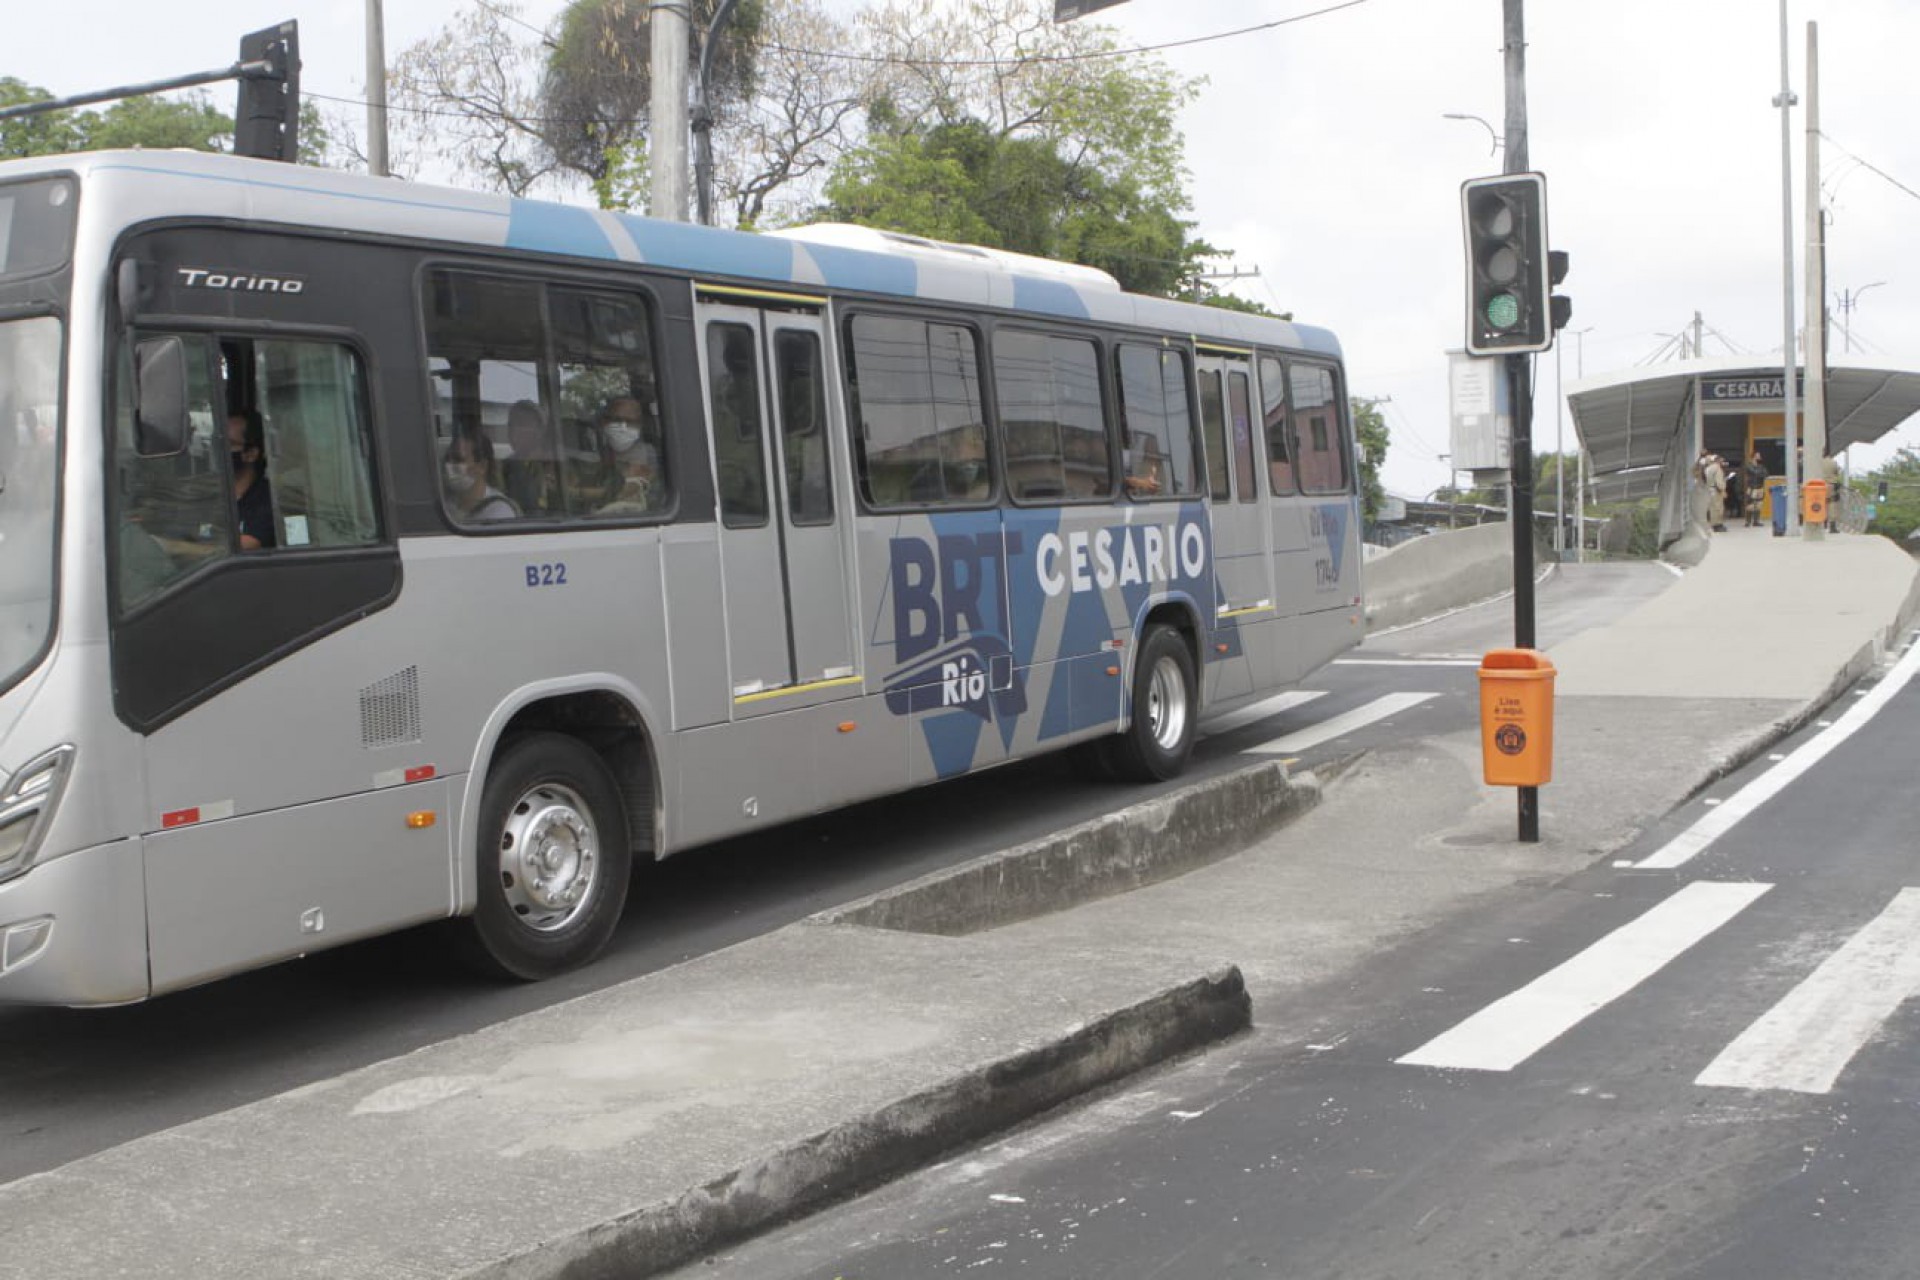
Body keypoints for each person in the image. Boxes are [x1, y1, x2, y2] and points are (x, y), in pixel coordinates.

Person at [592, 394, 661, 513]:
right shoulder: (598, 452)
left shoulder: (646, 453)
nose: (623, 427)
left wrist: (578, 492)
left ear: (640, 425)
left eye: (630, 421)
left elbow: (627, 489)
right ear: (604, 421)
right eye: (617, 420)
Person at [443, 426, 518, 522]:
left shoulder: (500, 512)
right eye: (447, 459)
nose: (449, 465)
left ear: (482, 466)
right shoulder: (446, 506)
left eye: (458, 459)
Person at [227, 408, 276, 549]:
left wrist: (184, 547)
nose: (217, 450)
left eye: (229, 444)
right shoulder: (207, 494)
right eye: (215, 441)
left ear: (251, 454)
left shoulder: (268, 498)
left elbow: (250, 543)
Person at [501, 400, 558, 516]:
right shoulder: (506, 466)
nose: (514, 430)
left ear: (540, 430)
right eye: (511, 425)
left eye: (522, 424)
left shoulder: (555, 464)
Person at [1744, 451, 1768, 527]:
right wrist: (1760, 473)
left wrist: (1760, 473)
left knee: (1758, 505)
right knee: (1750, 505)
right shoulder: (1749, 465)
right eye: (1758, 455)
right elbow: (1755, 472)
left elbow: (1766, 474)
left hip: (1760, 487)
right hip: (1752, 487)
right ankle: (1748, 522)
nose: (1759, 457)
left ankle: (1756, 521)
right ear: (1754, 456)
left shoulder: (1761, 466)